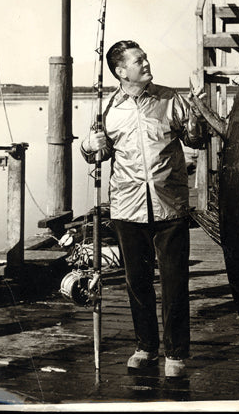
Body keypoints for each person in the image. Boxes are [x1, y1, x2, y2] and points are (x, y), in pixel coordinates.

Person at [81, 40, 207, 378]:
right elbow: (96, 154)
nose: (147, 62)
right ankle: (146, 348)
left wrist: (198, 116)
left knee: (175, 283)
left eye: (146, 57)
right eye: (139, 60)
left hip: (170, 205)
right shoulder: (106, 109)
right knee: (137, 283)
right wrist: (88, 146)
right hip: (126, 208)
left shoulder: (170, 99)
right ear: (121, 71)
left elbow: (197, 140)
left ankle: (177, 355)